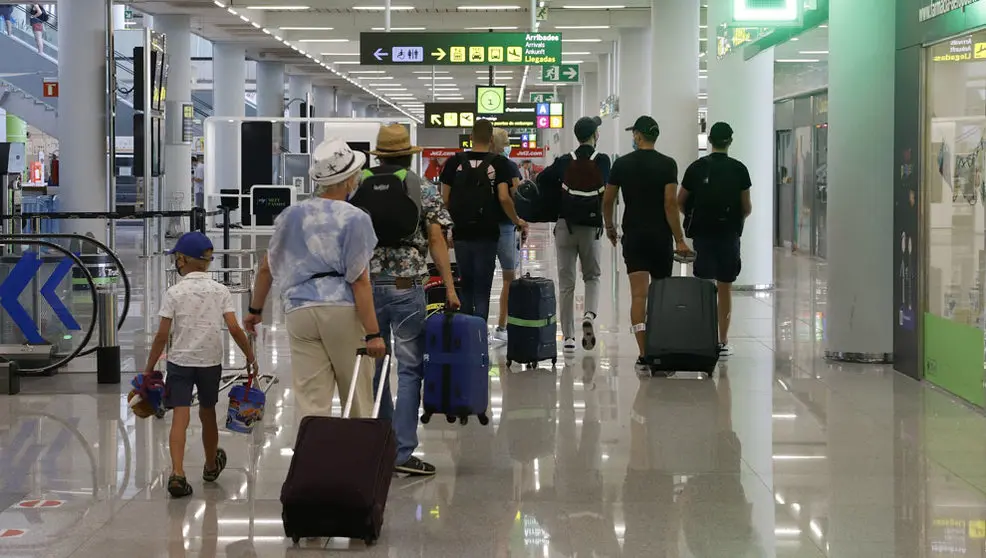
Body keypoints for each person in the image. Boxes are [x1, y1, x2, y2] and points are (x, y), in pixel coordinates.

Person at [243, 138, 386, 419]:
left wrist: (254, 310)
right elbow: (359, 279)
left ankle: (314, 459)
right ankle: (358, 461)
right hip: (341, 310)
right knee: (356, 396)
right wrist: (373, 333)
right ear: (348, 180)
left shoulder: (291, 214)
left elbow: (266, 267)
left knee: (311, 400)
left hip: (299, 311)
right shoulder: (356, 218)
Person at [363, 124, 459, 476]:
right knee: (408, 368)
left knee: (373, 365)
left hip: (365, 287)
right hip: (407, 287)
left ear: (380, 154)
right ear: (408, 155)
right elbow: (436, 239)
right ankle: (403, 451)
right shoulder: (421, 187)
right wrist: (448, 287)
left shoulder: (357, 184)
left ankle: (375, 443)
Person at [141, 232, 257, 498]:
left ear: (182, 259)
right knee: (207, 415)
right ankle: (209, 465)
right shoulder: (220, 291)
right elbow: (234, 328)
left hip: (180, 363)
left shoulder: (174, 292)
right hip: (209, 363)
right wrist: (250, 358)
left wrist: (149, 367)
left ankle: (178, 474)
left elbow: (162, 335)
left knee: (180, 418)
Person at [602, 116, 688, 374]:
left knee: (639, 296)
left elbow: (608, 200)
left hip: (635, 236)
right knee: (660, 297)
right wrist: (679, 239)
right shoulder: (667, 164)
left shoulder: (622, 164)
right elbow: (670, 204)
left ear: (638, 136)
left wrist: (610, 227)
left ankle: (644, 354)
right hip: (660, 237)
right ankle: (661, 350)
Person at [440, 119, 528, 325]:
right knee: (482, 289)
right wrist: (517, 220)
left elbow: (445, 200)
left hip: (462, 233)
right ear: (490, 139)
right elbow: (504, 197)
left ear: (470, 137)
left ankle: (465, 335)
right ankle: (479, 336)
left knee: (466, 286)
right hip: (488, 234)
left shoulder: (454, 162)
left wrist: (448, 229)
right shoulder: (499, 164)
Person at [678, 122, 752, 357]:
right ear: (730, 141)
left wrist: (693, 216)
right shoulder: (740, 169)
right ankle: (723, 341)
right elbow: (747, 207)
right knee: (725, 287)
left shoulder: (697, 168)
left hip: (703, 234)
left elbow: (681, 201)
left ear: (709, 141)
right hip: (729, 235)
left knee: (704, 287)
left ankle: (703, 337)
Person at [537, 116, 610, 354]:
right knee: (592, 276)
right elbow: (608, 190)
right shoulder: (602, 161)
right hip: (591, 228)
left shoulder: (565, 161)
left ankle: (567, 338)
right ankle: (589, 314)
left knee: (566, 283)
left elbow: (541, 179)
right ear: (595, 136)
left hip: (564, 226)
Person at [490, 128, 523, 345]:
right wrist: (518, 219)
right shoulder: (508, 166)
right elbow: (515, 196)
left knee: (480, 280)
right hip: (505, 227)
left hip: (481, 228)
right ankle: (502, 327)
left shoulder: (481, 165)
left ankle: (477, 327)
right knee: (509, 279)